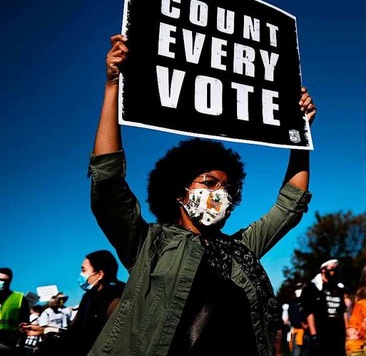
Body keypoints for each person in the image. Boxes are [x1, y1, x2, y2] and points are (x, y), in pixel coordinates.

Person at [86, 34, 316, 356]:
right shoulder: (147, 243)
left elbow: (289, 206)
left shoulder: (242, 249)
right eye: (208, 183)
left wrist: (300, 133)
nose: (219, 193)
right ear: (178, 191)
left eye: (226, 187)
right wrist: (113, 85)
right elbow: (108, 181)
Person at [20, 250, 126, 356]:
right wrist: (43, 330)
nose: (81, 275)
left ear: (100, 274)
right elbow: (75, 331)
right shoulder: (89, 297)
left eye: (84, 270)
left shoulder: (117, 296)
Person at [300, 259, 347, 356]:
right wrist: (314, 335)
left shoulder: (338, 287)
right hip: (322, 335)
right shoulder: (312, 287)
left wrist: (347, 329)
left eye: (336, 268)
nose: (334, 271)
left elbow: (343, 310)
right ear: (323, 269)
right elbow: (309, 312)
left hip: (338, 335)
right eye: (332, 268)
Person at [0, 268, 29, 355]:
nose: (2, 283)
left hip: (8, 342)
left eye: (4, 280)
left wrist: (21, 344)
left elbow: (25, 324)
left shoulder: (19, 298)